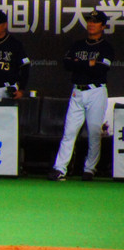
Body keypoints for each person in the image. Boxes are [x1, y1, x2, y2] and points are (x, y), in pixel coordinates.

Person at [48, 10, 114, 182]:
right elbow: (67, 64)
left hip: (96, 91)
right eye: (89, 21)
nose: (91, 24)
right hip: (77, 91)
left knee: (94, 132)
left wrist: (80, 64)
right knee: (69, 132)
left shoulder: (106, 47)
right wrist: (89, 63)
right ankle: (60, 168)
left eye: (95, 21)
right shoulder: (78, 45)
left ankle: (90, 169)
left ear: (103, 26)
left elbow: (102, 68)